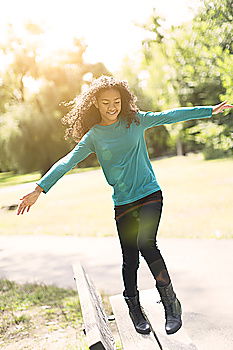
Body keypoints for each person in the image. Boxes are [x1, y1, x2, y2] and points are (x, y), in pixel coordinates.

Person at [17, 75, 233, 335]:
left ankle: (171, 304)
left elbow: (170, 115)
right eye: (106, 102)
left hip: (149, 194)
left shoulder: (135, 120)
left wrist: (209, 110)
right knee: (130, 259)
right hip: (123, 203)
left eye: (117, 101)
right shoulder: (94, 136)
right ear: (95, 103)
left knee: (146, 243)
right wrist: (38, 189)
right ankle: (134, 308)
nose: (112, 107)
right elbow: (67, 162)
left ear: (124, 100)